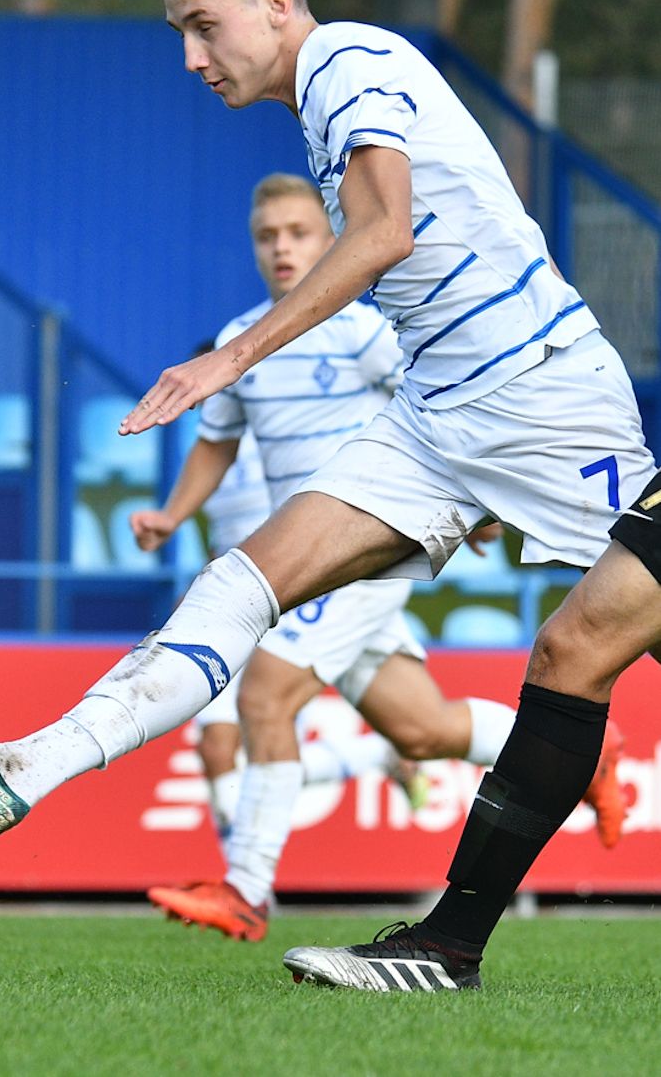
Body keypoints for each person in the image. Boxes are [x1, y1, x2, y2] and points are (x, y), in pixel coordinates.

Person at [0, 0, 652, 992]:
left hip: (537, 399)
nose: (192, 58)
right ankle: (18, 768)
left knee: (585, 648)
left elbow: (387, 232)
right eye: (179, 35)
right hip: (438, 417)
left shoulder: (344, 57)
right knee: (241, 582)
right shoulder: (324, 98)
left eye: (203, 26)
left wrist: (228, 356)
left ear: (275, 3)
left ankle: (428, 935)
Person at [131, 174, 579, 942]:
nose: (282, 247)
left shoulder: (364, 332)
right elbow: (217, 443)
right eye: (269, 235)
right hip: (305, 565)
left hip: (366, 550)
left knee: (264, 697)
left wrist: (474, 505)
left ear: (330, 237)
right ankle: (588, 760)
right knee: (422, 730)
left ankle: (246, 890)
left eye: (299, 233)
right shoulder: (245, 340)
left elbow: (438, 411)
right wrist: (172, 516)